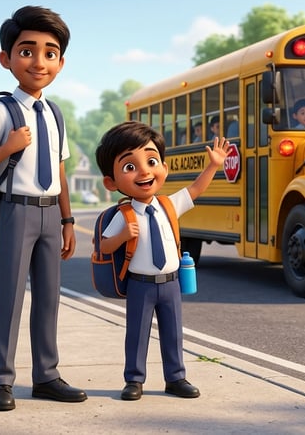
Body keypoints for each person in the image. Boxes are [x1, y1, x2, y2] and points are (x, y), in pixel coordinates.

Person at [0, 6, 85, 411]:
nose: (39, 61)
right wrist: (9, 146)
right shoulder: (2, 111)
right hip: (17, 210)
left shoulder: (54, 114)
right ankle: (1, 380)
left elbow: (62, 171)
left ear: (61, 63)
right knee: (11, 296)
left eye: (50, 53)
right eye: (27, 51)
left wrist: (68, 220)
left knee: (50, 297)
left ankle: (46, 375)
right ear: (6, 59)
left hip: (52, 213)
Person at [95, 121, 229, 401]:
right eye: (129, 167)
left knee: (173, 333)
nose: (144, 171)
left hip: (170, 283)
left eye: (152, 160)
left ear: (164, 168)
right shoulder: (124, 214)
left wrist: (214, 165)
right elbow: (104, 246)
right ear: (111, 182)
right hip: (140, 284)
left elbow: (196, 190)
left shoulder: (168, 205)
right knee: (137, 334)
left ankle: (176, 377)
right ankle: (134, 379)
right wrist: (121, 236)